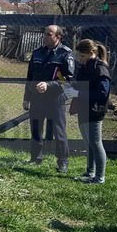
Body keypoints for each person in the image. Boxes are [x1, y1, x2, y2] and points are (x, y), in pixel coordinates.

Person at [23, 25, 75, 173]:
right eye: (44, 33)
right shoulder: (37, 53)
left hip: (56, 99)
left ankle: (62, 162)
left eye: (49, 34)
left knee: (59, 131)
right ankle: (36, 158)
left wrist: (49, 85)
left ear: (58, 37)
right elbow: (30, 77)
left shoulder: (66, 54)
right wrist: (27, 98)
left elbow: (68, 81)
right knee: (36, 128)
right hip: (37, 98)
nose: (44, 36)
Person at [71, 39, 111, 185]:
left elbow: (102, 93)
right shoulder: (85, 66)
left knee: (96, 143)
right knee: (88, 143)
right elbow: (81, 84)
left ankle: (100, 177)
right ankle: (90, 172)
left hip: (94, 110)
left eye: (82, 56)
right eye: (79, 56)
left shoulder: (100, 69)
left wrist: (79, 94)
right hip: (83, 108)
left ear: (92, 53)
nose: (80, 59)